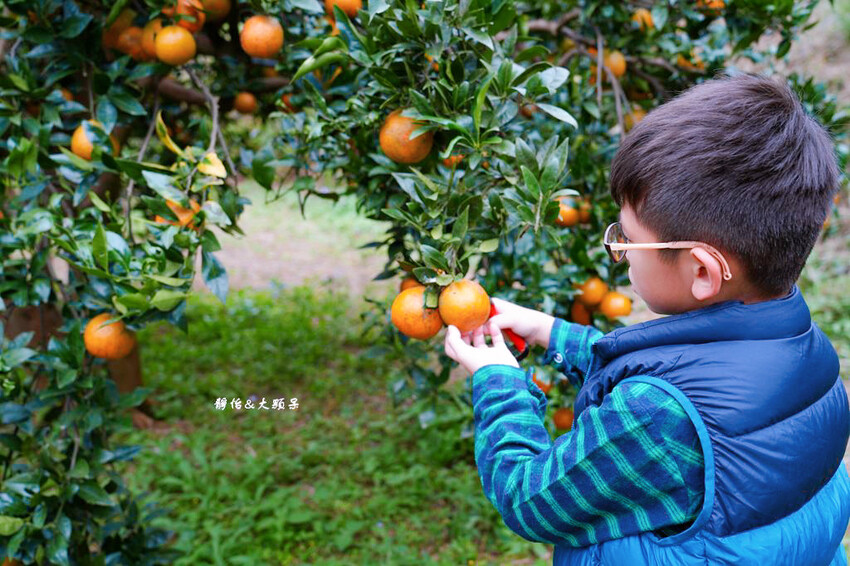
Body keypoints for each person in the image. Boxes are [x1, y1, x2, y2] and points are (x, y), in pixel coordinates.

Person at [444, 73, 850, 565]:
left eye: (628, 239)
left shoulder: (657, 417)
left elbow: (528, 500)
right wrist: (555, 334)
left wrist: (498, 381)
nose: (619, 252)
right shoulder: (806, 351)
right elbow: (682, 375)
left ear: (701, 270)